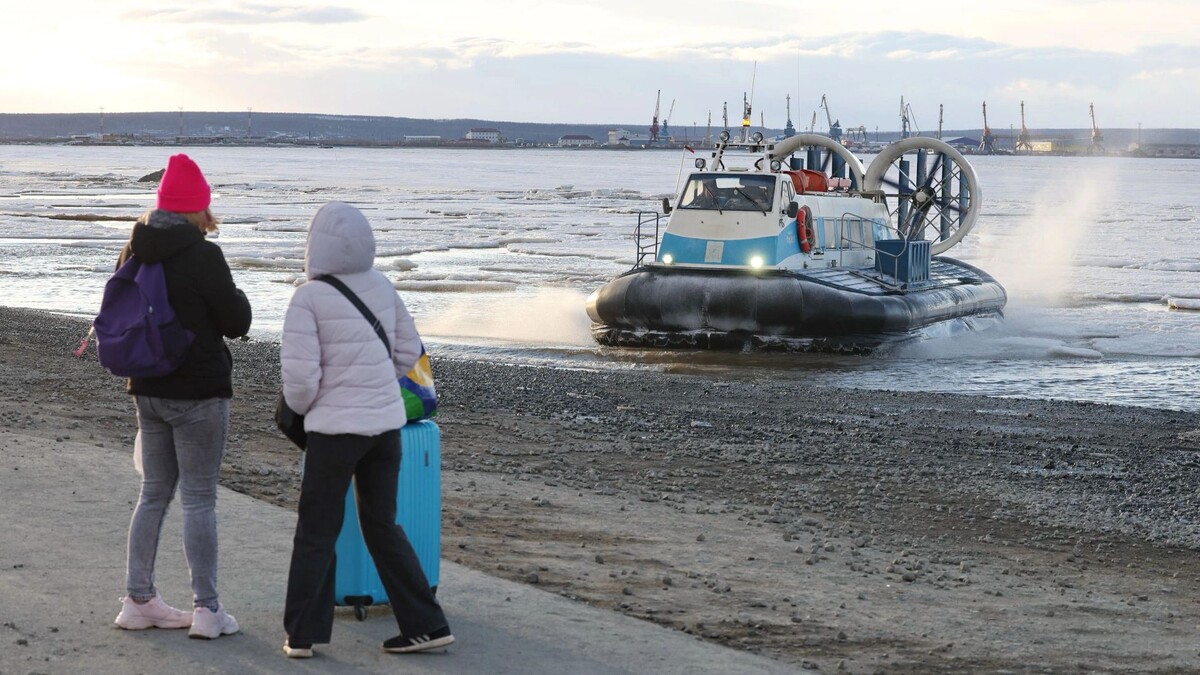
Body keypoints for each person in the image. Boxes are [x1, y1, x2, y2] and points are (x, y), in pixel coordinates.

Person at [280, 201, 453, 659]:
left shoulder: (307, 298)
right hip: (385, 427)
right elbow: (408, 355)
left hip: (335, 431)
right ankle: (427, 625)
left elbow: (300, 383)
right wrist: (374, 383)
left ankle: (303, 635)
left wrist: (315, 406)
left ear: (314, 245)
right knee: (382, 526)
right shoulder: (382, 285)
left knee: (317, 530)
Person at [113, 154, 253, 639]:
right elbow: (236, 322)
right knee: (198, 499)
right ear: (198, 207)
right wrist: (237, 298)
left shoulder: (134, 247)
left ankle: (138, 600)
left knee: (153, 493)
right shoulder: (202, 254)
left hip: (147, 387)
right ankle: (207, 610)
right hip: (198, 393)